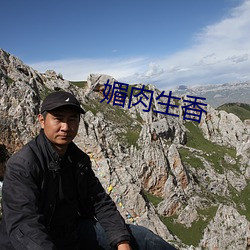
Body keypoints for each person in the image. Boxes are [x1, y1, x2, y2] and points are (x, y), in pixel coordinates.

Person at [0, 91, 177, 250]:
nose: (65, 127)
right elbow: (25, 225)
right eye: (58, 118)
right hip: (28, 242)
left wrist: (122, 241)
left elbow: (100, 202)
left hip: (70, 232)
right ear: (41, 120)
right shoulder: (22, 165)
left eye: (72, 119)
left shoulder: (78, 160)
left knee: (144, 239)